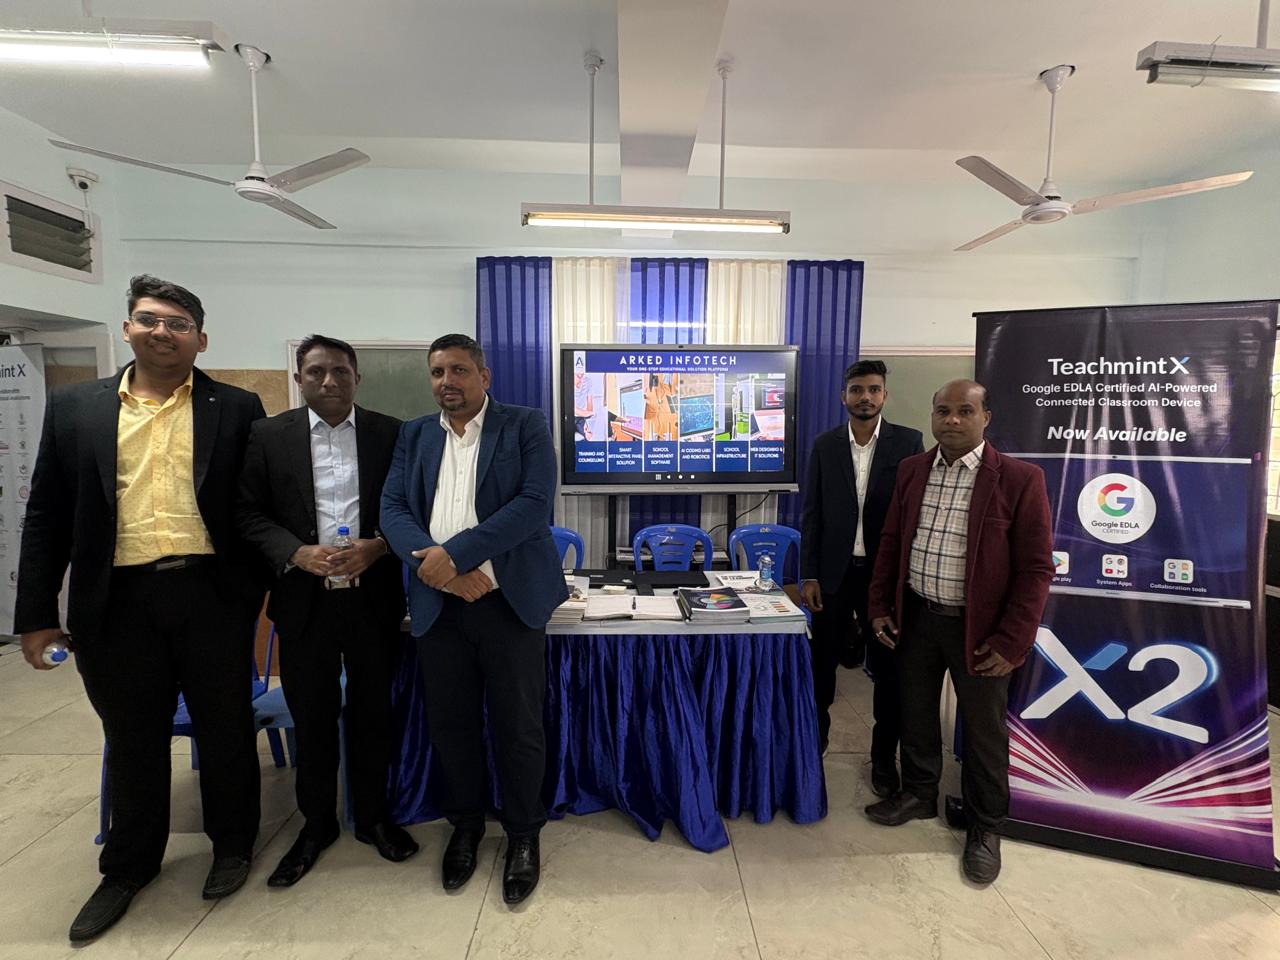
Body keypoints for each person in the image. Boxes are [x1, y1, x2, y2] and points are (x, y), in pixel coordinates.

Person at [14, 275, 267, 943]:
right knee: (132, 738)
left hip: (211, 596)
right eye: (150, 319)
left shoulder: (237, 406)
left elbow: (257, 505)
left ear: (201, 340)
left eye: (178, 323)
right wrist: (35, 615)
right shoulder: (76, 407)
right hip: (115, 601)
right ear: (127, 328)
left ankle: (233, 845)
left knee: (225, 729)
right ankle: (128, 867)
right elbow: (47, 515)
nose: (163, 332)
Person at [380, 333, 567, 905]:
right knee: (451, 725)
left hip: (509, 602)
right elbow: (393, 508)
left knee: (518, 726)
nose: (447, 382)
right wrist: (443, 574)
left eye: (459, 370)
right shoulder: (414, 434)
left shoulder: (524, 425)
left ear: (484, 376)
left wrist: (454, 555)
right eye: (438, 372)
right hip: (440, 606)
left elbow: (533, 505)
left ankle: (523, 834)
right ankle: (465, 826)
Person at [237, 334, 419, 887]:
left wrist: (379, 546)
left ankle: (373, 818)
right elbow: (246, 513)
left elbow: (413, 507)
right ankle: (316, 826)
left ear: (357, 378)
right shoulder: (268, 436)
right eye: (316, 372)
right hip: (304, 601)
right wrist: (296, 552)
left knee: (373, 716)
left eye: (340, 371)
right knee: (312, 718)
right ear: (299, 379)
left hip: (373, 599)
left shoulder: (392, 433)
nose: (329, 381)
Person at [864, 379, 1052, 884]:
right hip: (916, 618)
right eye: (942, 410)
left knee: (984, 732)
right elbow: (891, 541)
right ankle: (919, 792)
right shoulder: (912, 470)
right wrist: (879, 605)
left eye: (964, 411)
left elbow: (1036, 568)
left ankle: (985, 826)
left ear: (985, 417)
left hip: (981, 631)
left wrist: (1013, 640)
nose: (951, 420)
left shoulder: (1020, 479)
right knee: (916, 714)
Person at [799, 360, 923, 781]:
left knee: (888, 673)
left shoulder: (908, 443)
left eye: (873, 389)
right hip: (832, 577)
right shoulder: (825, 445)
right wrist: (809, 575)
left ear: (884, 395)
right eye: (856, 390)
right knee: (821, 667)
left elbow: (912, 514)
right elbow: (812, 513)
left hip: (882, 578)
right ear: (844, 396)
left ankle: (884, 759)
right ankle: (814, 743)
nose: (865, 397)